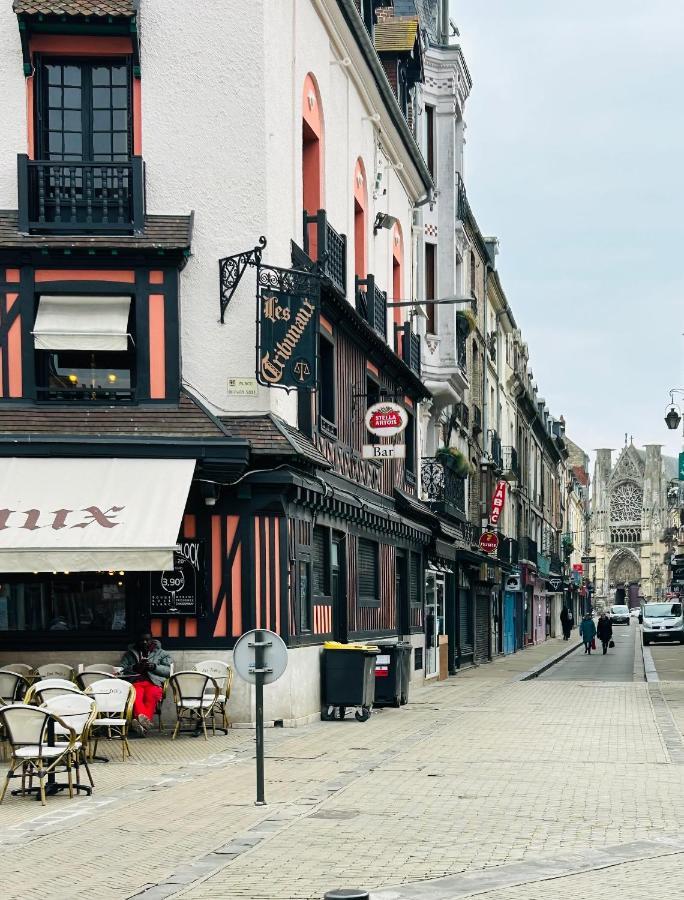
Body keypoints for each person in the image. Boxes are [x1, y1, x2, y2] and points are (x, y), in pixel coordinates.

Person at [120, 632, 172, 735]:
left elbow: (168, 671)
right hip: (136, 682)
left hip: (154, 682)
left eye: (147, 640)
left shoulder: (162, 653)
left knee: (151, 696)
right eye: (141, 640)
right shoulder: (129, 654)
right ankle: (144, 726)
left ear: (152, 640)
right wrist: (134, 668)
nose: (144, 642)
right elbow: (122, 669)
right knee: (136, 696)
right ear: (137, 641)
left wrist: (155, 667)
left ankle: (140, 724)